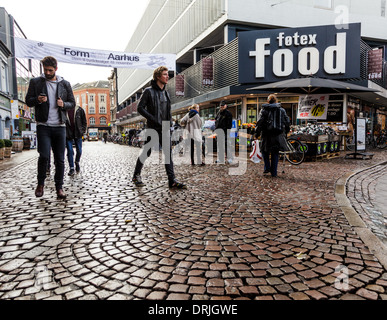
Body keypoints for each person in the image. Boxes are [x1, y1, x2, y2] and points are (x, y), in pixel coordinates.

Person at [26, 56, 76, 199]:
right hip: (43, 126)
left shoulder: (65, 84)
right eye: (45, 70)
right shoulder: (36, 82)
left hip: (60, 126)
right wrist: (37, 100)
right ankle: (40, 184)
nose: (47, 73)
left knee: (60, 159)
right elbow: (28, 101)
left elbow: (72, 102)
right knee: (44, 156)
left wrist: (63, 105)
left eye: (50, 70)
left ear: (56, 69)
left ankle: (59, 187)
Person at [132, 66, 186, 189]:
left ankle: (172, 180)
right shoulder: (148, 91)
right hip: (153, 128)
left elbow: (167, 111)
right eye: (165, 74)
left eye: (168, 74)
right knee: (147, 151)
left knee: (168, 153)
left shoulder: (166, 93)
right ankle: (136, 175)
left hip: (165, 128)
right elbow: (140, 108)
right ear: (158, 76)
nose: (168, 76)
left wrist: (170, 124)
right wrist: (153, 118)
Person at [255, 94, 290, 178]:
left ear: (268, 101)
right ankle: (274, 173)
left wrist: (257, 133)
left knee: (264, 151)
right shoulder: (281, 110)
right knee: (275, 153)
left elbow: (260, 122)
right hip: (277, 134)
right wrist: (286, 131)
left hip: (266, 134)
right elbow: (287, 121)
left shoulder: (264, 110)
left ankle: (267, 167)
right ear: (276, 101)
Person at [66, 105, 87, 176]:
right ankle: (71, 168)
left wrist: (82, 131)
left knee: (79, 151)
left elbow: (84, 121)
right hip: (68, 134)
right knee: (70, 151)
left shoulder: (79, 110)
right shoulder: (64, 109)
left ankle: (77, 162)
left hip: (78, 133)